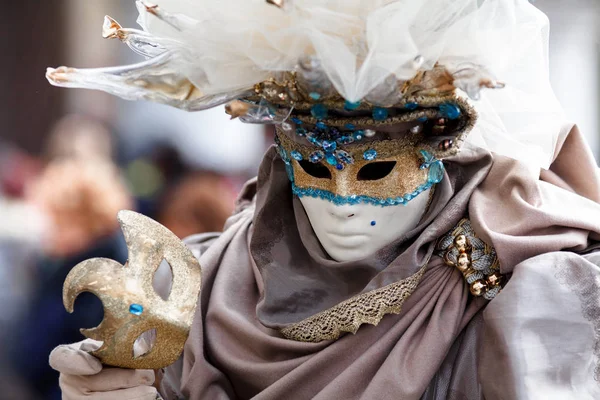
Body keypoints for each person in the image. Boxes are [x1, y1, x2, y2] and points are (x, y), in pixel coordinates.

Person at [46, 0, 600, 399]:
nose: (343, 204)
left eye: (377, 170)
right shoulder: (195, 282)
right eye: (313, 166)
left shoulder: (527, 288)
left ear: (438, 153)